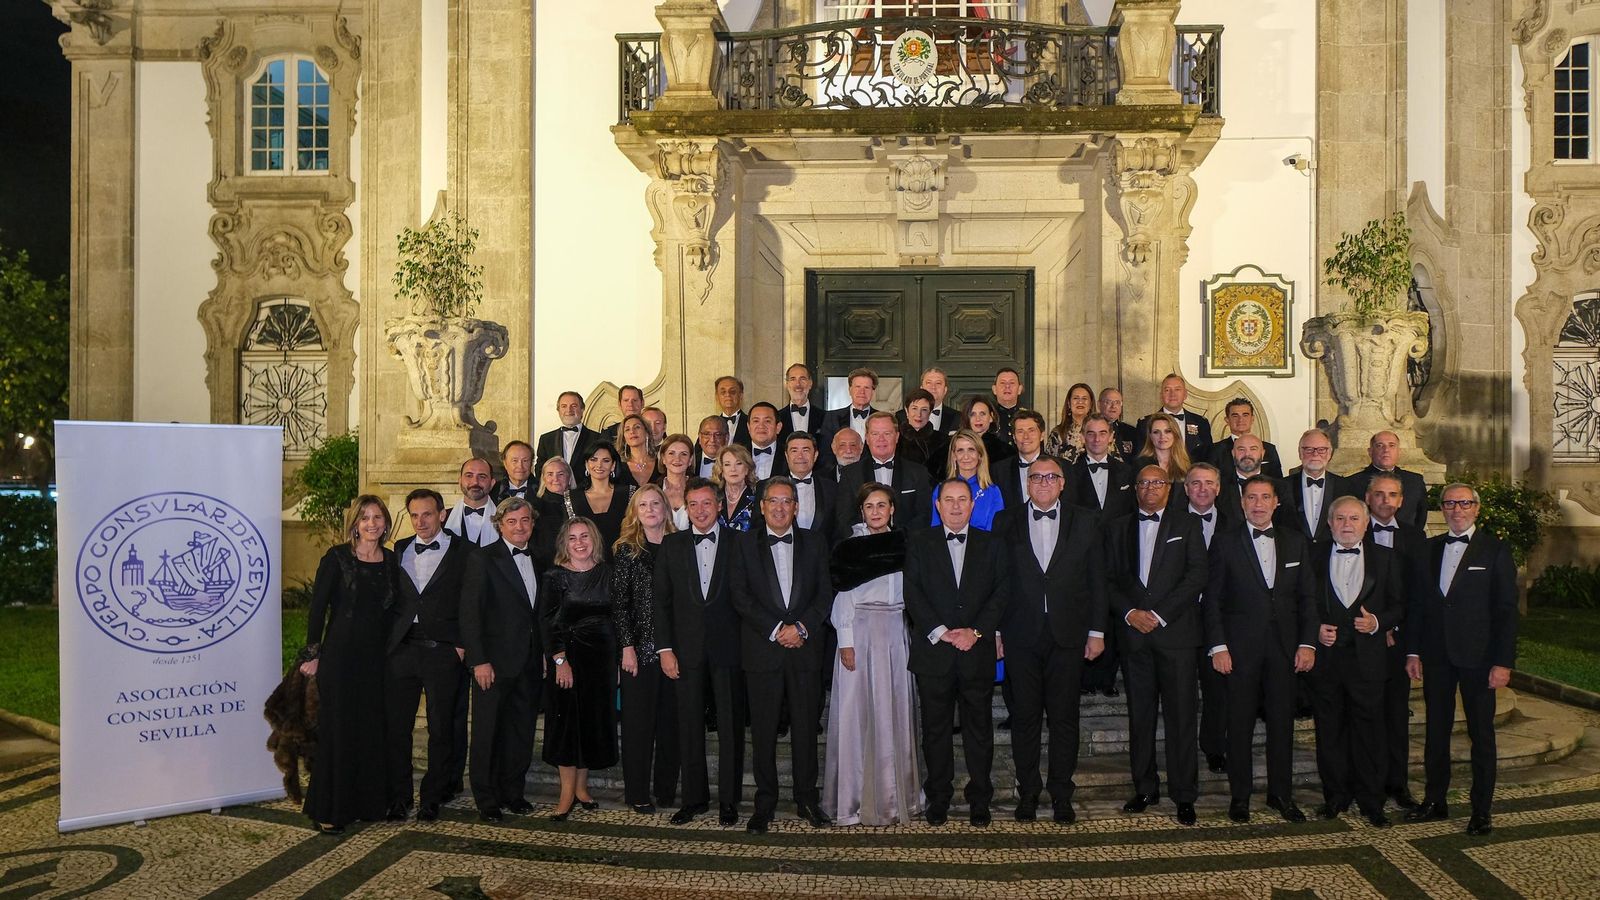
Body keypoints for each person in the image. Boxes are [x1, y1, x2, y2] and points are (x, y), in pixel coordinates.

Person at [995, 457, 1105, 824]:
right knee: (1024, 718)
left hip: (1069, 634)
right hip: (1019, 635)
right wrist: (996, 632)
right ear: (1027, 484)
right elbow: (998, 581)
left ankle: (1061, 793)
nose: (1043, 482)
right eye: (1036, 477)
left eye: (1050, 477)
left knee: (1064, 719)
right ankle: (1027, 792)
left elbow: (1097, 581)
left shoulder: (1087, 520)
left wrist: (1097, 631)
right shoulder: (1005, 519)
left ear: (1062, 483)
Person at [1405, 483, 1519, 836]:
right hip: (1437, 656)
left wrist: (1503, 662)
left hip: (1480, 658)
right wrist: (1413, 651)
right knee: (1436, 733)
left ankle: (1481, 809)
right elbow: (1418, 607)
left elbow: (1506, 611)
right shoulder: (1427, 549)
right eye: (1450, 503)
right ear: (1442, 508)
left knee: (1481, 735)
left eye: (1464, 503)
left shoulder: (1495, 550)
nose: (1457, 509)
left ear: (1476, 508)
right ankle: (1435, 801)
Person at [1204, 475, 1317, 824]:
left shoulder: (1296, 542)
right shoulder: (1224, 543)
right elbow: (1212, 601)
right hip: (1238, 650)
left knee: (1282, 725)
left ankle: (1280, 794)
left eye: (1265, 497)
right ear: (1241, 502)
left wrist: (1307, 643)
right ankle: (1240, 797)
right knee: (1238, 726)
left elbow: (1308, 599)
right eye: (1251, 497)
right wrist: (1218, 646)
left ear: (1276, 502)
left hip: (1285, 650)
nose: (1258, 504)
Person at [1107, 466, 1207, 826]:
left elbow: (1197, 574)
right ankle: (1145, 788)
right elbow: (1108, 579)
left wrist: (1160, 614)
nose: (1150, 488)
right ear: (1135, 488)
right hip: (1134, 637)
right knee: (1141, 717)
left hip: (1176, 637)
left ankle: (1184, 795)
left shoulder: (1188, 525)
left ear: (1169, 488)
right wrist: (1131, 612)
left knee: (1181, 718)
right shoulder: (1117, 528)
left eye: (1157, 482)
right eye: (1144, 482)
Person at [905, 478, 1009, 828]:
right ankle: (938, 797)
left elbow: (1001, 593)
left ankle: (980, 798)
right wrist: (942, 632)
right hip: (935, 652)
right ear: (937, 505)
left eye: (962, 499)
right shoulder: (919, 542)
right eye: (948, 500)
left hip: (975, 652)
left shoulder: (993, 544)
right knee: (935, 731)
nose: (955, 506)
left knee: (978, 730)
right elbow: (913, 593)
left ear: (972, 504)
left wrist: (976, 632)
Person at [732, 477, 833, 834]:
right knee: (762, 732)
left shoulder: (816, 542)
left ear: (796, 506)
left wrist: (801, 628)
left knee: (806, 730)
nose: (779, 507)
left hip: (805, 651)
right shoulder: (743, 544)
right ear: (761, 507)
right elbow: (740, 595)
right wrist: (777, 630)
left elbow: (825, 592)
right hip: (763, 652)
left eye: (786, 501)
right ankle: (765, 803)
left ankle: (807, 799)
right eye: (772, 501)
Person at [823, 483, 922, 827]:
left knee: (894, 711)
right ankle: (852, 800)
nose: (876, 512)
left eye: (882, 505)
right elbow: (843, 596)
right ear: (861, 511)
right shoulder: (851, 548)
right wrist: (846, 640)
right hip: (859, 631)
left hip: (896, 631)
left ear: (892, 509)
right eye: (870, 506)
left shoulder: (907, 543)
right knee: (857, 714)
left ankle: (897, 798)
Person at [299, 495, 397, 833]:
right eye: (365, 518)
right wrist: (313, 655)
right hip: (340, 658)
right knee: (338, 731)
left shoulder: (391, 560)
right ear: (354, 523)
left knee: (370, 730)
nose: (372, 523)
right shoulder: (337, 558)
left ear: (385, 522)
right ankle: (330, 808)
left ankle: (367, 804)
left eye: (377, 517)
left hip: (375, 659)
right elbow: (317, 609)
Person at [654, 478, 748, 827]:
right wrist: (665, 649)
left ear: (719, 506)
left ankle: (729, 801)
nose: (700, 510)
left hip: (730, 650)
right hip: (686, 651)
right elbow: (661, 603)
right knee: (689, 726)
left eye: (707, 503)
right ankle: (693, 799)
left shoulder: (741, 543)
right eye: (693, 504)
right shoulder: (671, 544)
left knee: (730, 729)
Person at [1311, 496, 1403, 828]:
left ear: (1366, 524)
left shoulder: (1386, 558)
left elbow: (1398, 604)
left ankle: (1371, 801)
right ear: (1329, 523)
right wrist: (1316, 629)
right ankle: (1335, 796)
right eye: (1340, 518)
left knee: (1370, 731)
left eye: (1353, 518)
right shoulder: (1314, 556)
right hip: (1328, 659)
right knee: (1330, 730)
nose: (1347, 525)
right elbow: (1303, 601)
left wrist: (1378, 622)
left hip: (1369, 660)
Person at [386, 488, 472, 823]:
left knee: (441, 729)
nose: (421, 521)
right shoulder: (399, 548)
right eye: (415, 515)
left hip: (442, 652)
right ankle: (399, 796)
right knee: (397, 728)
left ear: (442, 514)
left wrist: (462, 644)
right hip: (403, 650)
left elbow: (470, 602)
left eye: (427, 514)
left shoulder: (465, 552)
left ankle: (431, 797)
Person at [458, 498, 543, 822]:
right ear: (500, 525)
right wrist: (479, 661)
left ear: (532, 524)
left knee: (520, 732)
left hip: (530, 663)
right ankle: (486, 797)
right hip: (492, 665)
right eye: (512, 522)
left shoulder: (539, 557)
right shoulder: (482, 558)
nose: (520, 527)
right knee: (487, 733)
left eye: (525, 521)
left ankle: (513, 792)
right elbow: (470, 614)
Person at [540, 517, 618, 821]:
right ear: (564, 543)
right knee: (566, 726)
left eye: (584, 536)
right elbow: (548, 622)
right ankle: (565, 794)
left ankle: (582, 788)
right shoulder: (554, 576)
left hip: (601, 661)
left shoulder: (607, 574)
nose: (579, 543)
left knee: (591, 724)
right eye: (572, 538)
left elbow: (618, 616)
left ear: (594, 540)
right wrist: (559, 660)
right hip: (568, 659)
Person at [612, 485, 680, 815]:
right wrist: (626, 647)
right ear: (635, 512)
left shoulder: (680, 546)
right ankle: (637, 792)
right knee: (639, 726)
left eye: (656, 503)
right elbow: (620, 604)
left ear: (666, 509)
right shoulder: (627, 549)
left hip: (674, 650)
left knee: (671, 724)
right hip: (638, 650)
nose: (650, 509)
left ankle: (666, 789)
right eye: (643, 505)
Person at [1364, 472, 1425, 811]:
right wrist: (1376, 624)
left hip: (1398, 642)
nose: (1385, 501)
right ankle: (1366, 782)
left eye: (1392, 495)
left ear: (1401, 501)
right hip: (1364, 638)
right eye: (1379, 494)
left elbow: (1418, 596)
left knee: (1396, 715)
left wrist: (1399, 632)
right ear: (1368, 498)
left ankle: (1398, 783)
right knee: (1364, 715)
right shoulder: (1355, 530)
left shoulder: (1416, 539)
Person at [1066, 415, 1135, 698]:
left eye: (1102, 433)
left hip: (1118, 559)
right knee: (1086, 616)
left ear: (1111, 437)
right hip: (1082, 559)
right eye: (1090, 433)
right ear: (1083, 437)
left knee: (1115, 618)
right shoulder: (1068, 474)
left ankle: (1107, 678)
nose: (1096, 438)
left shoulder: (1127, 473)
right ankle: (1084, 677)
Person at [1183, 464, 1232, 775]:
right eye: (1196, 483)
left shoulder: (1234, 524)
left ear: (1219, 488)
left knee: (1218, 690)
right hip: (1181, 619)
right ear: (1186, 489)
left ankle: (1214, 746)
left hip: (1221, 620)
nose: (1202, 489)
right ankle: (1183, 749)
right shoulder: (1169, 522)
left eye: (1209, 483)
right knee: (1182, 691)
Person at [837, 411, 932, 532]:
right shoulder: (850, 474)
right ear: (867, 438)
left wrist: (898, 539)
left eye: (887, 433)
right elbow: (843, 517)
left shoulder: (918, 472)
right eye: (875, 434)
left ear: (897, 437)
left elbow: (924, 515)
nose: (881, 439)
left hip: (906, 545)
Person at [1346, 431, 1429, 531]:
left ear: (1399, 451)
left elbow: (1421, 516)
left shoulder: (1415, 481)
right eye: (1380, 445)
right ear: (1370, 451)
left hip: (1405, 542)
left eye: (1391, 445)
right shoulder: (1352, 482)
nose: (1386, 450)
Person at [1281, 428, 1351, 545]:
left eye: (1321, 450)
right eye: (1309, 449)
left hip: (1330, 556)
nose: (1315, 454)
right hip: (1293, 554)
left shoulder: (1345, 487)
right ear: (1300, 453)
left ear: (1329, 454)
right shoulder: (1282, 486)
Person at [932, 429, 1004, 530]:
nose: (966, 456)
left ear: (980, 455)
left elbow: (996, 533)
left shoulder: (993, 492)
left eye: (971, 450)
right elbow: (935, 530)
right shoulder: (940, 490)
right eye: (960, 450)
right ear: (954, 456)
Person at [1137, 374, 1214, 461]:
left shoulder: (1201, 422)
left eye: (1177, 389)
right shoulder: (1145, 423)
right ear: (1161, 395)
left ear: (1185, 394)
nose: (1172, 394)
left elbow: (1208, 456)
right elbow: (1141, 457)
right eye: (1167, 390)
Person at [785, 430, 838, 546]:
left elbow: (837, 529)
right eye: (794, 450)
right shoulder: (768, 487)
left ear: (815, 455)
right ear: (786, 455)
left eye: (806, 450)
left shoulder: (832, 488)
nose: (800, 456)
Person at [1207, 398, 1284, 478]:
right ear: (1227, 420)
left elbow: (1278, 481)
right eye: (1235, 416)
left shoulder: (1269, 449)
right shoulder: (1215, 450)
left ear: (1252, 419)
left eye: (1245, 415)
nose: (1240, 420)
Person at [998, 410, 1057, 514]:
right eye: (1020, 431)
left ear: (1042, 435)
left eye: (1031, 431)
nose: (1026, 436)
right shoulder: (999, 471)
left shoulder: (1062, 467)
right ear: (1014, 438)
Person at [571, 443, 627, 551]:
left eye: (606, 461)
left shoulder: (629, 493)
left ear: (613, 465)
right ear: (586, 464)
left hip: (624, 562)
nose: (599, 465)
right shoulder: (572, 498)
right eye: (593, 459)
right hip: (585, 562)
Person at [536, 390, 602, 472]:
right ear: (558, 411)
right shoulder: (546, 440)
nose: (569, 410)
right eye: (564, 406)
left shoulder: (598, 439)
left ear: (582, 410)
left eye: (574, 406)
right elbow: (540, 470)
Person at [531, 457, 577, 569]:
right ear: (543, 479)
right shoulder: (534, 507)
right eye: (550, 474)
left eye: (560, 474)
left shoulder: (580, 502)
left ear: (569, 478)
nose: (555, 479)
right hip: (547, 568)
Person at [1219, 434, 1286, 509]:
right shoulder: (1218, 488)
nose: (1247, 454)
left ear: (1262, 453)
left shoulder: (1281, 489)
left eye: (1253, 449)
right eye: (1241, 449)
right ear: (1233, 453)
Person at [444, 457, 499, 547]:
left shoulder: (505, 521)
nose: (475, 482)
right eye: (469, 476)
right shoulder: (442, 520)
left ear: (492, 483)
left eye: (482, 476)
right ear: (460, 481)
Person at [822, 367, 880, 449]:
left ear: (873, 392)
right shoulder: (832, 417)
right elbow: (825, 449)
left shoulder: (882, 419)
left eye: (866, 388)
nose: (862, 392)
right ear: (850, 390)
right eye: (858, 387)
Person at [1132, 412, 1191, 491]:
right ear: (1150, 436)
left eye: (1168, 431)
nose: (1162, 436)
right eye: (1156, 432)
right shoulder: (1139, 465)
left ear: (1175, 434)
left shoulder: (1188, 464)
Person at [1044, 383, 1096, 463]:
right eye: (1076, 398)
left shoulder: (1101, 431)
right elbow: (1049, 464)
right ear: (1068, 403)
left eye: (1084, 398)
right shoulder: (1057, 433)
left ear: (1091, 404)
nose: (1080, 402)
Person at [714, 443, 759, 532]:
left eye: (738, 463)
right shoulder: (713, 497)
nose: (733, 469)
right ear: (721, 470)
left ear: (747, 469)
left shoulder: (757, 498)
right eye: (727, 464)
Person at [898, 366, 958, 434]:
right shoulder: (900, 417)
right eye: (929, 383)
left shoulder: (958, 418)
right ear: (921, 388)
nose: (933, 387)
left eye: (938, 383)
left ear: (945, 390)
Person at [897, 388, 944, 472]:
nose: (919, 414)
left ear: (930, 413)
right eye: (914, 408)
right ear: (907, 411)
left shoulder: (943, 440)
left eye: (924, 410)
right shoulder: (895, 439)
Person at [658, 433, 696, 530]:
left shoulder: (699, 489)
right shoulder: (653, 489)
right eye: (671, 453)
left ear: (690, 460)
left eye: (683, 454)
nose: (677, 459)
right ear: (663, 458)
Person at [615, 413, 661, 493]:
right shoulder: (617, 468)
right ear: (624, 438)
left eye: (637, 427)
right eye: (627, 429)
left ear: (647, 433)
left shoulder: (661, 466)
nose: (632, 431)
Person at [961, 396, 1012, 467]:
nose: (978, 419)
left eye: (982, 414)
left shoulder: (1005, 452)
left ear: (991, 417)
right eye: (972, 414)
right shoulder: (955, 447)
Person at [781, 362, 822, 442]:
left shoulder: (824, 417)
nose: (798, 384)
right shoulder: (777, 418)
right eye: (793, 379)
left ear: (810, 383)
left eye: (802, 379)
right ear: (787, 384)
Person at [746, 402, 787, 481]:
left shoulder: (789, 455)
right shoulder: (737, 455)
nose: (761, 426)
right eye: (756, 421)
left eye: (767, 421)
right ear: (748, 427)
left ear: (778, 427)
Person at [1098, 387, 1140, 460]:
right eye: (1108, 402)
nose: (1113, 406)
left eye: (1117, 402)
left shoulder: (1131, 432)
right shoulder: (1090, 430)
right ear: (1099, 404)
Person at [491, 440, 536, 504]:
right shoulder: (492, 491)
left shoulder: (542, 491)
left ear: (531, 463)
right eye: (515, 460)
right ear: (505, 463)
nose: (520, 466)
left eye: (525, 461)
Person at [713, 375, 753, 447]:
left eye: (732, 392)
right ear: (717, 397)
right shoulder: (711, 425)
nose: (728, 395)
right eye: (723, 392)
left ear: (741, 395)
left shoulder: (752, 424)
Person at [991, 367, 1024, 446]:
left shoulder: (1028, 417)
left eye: (1012, 383)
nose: (1007, 386)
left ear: (1019, 389)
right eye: (1002, 383)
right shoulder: (988, 416)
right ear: (994, 389)